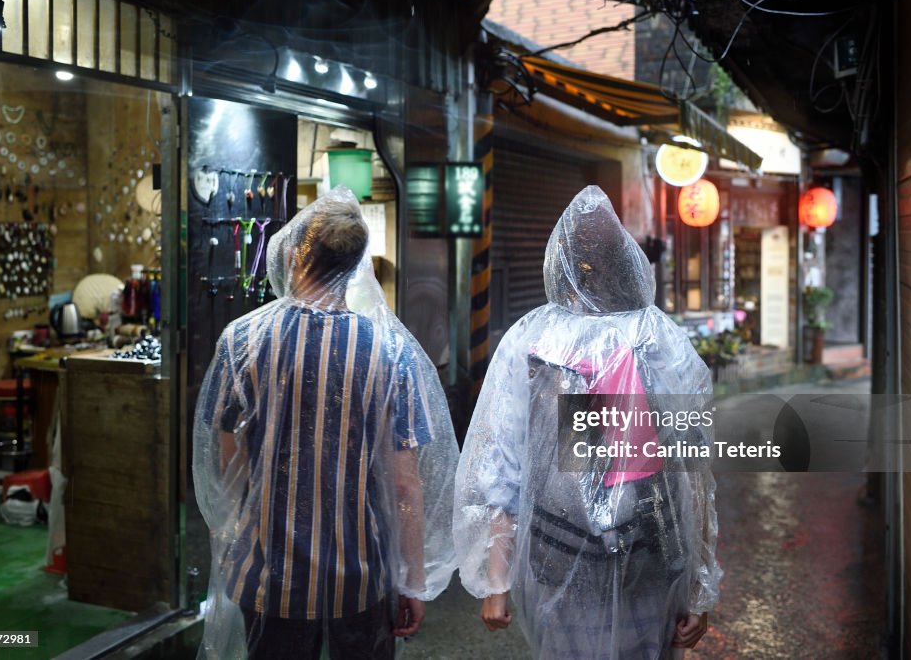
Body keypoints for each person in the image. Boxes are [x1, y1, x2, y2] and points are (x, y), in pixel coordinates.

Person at [453, 185, 722, 659]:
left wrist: (497, 580)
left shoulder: (531, 341)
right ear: (629, 263)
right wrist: (698, 587)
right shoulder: (660, 339)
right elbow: (693, 472)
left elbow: (500, 466)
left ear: (558, 264)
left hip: (558, 552)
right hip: (654, 552)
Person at [194, 186, 458, 659]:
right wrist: (414, 582)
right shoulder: (389, 352)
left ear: (294, 254)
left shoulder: (242, 340)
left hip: (266, 576)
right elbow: (404, 485)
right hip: (359, 581)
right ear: (356, 266)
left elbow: (227, 466)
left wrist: (232, 542)